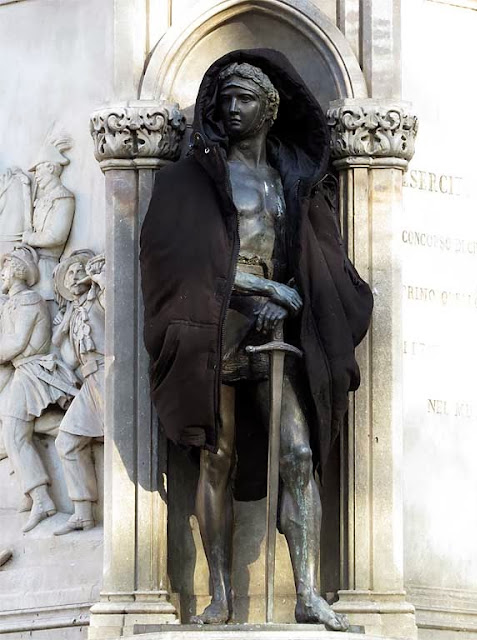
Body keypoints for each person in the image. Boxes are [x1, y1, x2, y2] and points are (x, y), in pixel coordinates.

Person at [140, 49, 373, 629]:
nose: (233, 110)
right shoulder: (190, 179)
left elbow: (312, 256)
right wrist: (251, 287)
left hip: (276, 332)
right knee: (215, 459)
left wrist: (290, 295)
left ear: (269, 110)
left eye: (245, 100)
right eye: (226, 102)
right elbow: (175, 257)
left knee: (297, 454)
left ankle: (308, 591)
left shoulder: (292, 180)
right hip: (215, 326)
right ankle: (219, 595)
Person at [0, 245, 78, 532]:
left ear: (19, 270)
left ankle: (42, 499)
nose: (2, 274)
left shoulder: (29, 301)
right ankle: (78, 433)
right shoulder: (12, 302)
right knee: (38, 427)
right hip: (23, 371)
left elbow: (18, 342)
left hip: (33, 371)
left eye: (6, 268)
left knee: (14, 433)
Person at [52, 251, 105, 535]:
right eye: (69, 274)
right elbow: (72, 360)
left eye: (78, 271)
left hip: (109, 377)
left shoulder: (100, 298)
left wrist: (100, 278)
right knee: (67, 441)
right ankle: (83, 512)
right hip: (89, 383)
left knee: (121, 447)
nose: (74, 278)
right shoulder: (75, 312)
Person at [22, 136, 75, 300]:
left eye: (38, 170)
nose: (36, 176)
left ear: (51, 168)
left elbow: (55, 236)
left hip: (47, 269)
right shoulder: (42, 199)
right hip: (33, 263)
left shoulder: (63, 198)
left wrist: (30, 238)